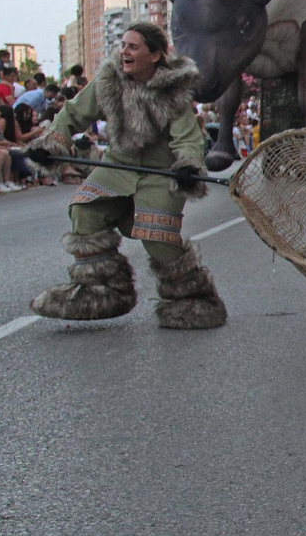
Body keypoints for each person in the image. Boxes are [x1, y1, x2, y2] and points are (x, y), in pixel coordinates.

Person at [26, 22, 225, 329]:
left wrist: (188, 166)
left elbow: (187, 138)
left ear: (155, 55)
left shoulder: (174, 90)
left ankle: (193, 299)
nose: (124, 52)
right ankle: (102, 290)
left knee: (157, 237)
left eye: (133, 47)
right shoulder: (109, 80)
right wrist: (49, 144)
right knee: (85, 209)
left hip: (160, 173)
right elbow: (73, 114)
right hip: (117, 166)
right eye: (123, 45)